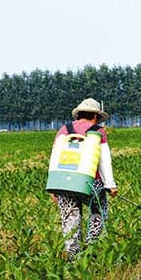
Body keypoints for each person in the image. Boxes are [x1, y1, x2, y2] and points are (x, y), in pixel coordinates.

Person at [51, 98, 118, 261]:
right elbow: (104, 160)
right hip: (89, 183)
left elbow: (55, 157)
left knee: (70, 218)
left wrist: (54, 188)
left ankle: (73, 256)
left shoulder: (63, 130)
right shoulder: (97, 131)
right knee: (98, 211)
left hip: (63, 182)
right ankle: (91, 247)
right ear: (95, 116)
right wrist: (110, 185)